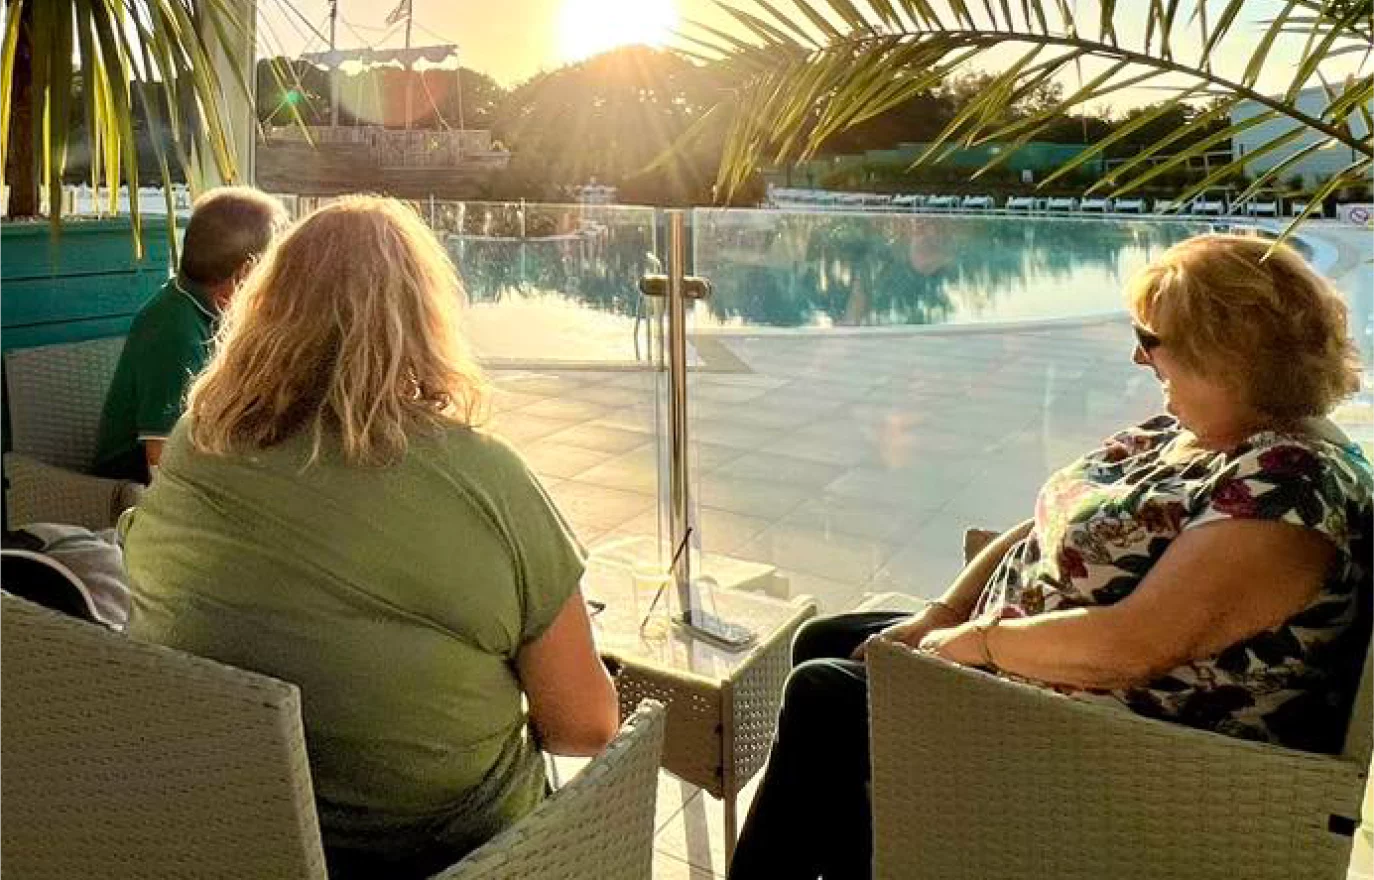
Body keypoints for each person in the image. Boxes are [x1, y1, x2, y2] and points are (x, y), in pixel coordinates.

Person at [729, 233, 1374, 880]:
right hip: (1036, 668)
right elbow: (1049, 522)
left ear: (1226, 351)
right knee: (824, 640)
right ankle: (875, 853)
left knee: (824, 696)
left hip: (1117, 746)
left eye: (1152, 340)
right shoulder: (1193, 430)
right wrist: (943, 613)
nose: (1137, 354)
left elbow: (1132, 647)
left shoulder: (1291, 492)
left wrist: (978, 643)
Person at [121, 196, 619, 879]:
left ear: (266, 308)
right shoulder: (485, 477)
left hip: (235, 834)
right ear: (420, 319)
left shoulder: (196, 443)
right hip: (446, 854)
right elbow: (584, 727)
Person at [93, 187, 287, 483]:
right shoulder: (174, 331)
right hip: (129, 491)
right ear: (244, 275)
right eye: (274, 269)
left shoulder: (208, 310)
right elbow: (161, 463)